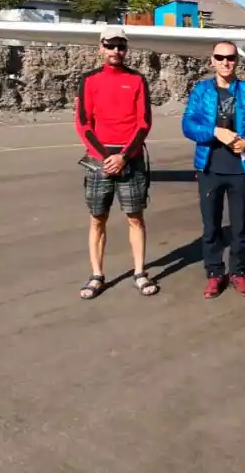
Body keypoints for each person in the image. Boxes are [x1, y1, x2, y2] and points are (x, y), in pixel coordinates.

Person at [75, 26, 159, 299]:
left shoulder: (137, 80)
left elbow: (144, 122)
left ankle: (139, 272)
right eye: (110, 45)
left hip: (130, 159)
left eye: (120, 46)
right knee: (97, 218)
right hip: (100, 160)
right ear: (101, 47)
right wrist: (106, 157)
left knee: (135, 217)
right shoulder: (89, 80)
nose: (116, 51)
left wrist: (123, 156)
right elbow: (83, 123)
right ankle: (97, 275)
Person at [182, 40, 245, 298]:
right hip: (209, 167)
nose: (225, 62)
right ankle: (214, 273)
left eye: (230, 57)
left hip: (240, 169)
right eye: (219, 57)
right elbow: (188, 125)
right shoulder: (201, 91)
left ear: (237, 61)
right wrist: (213, 132)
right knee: (211, 227)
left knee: (240, 226)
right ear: (212, 60)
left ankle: (239, 273)